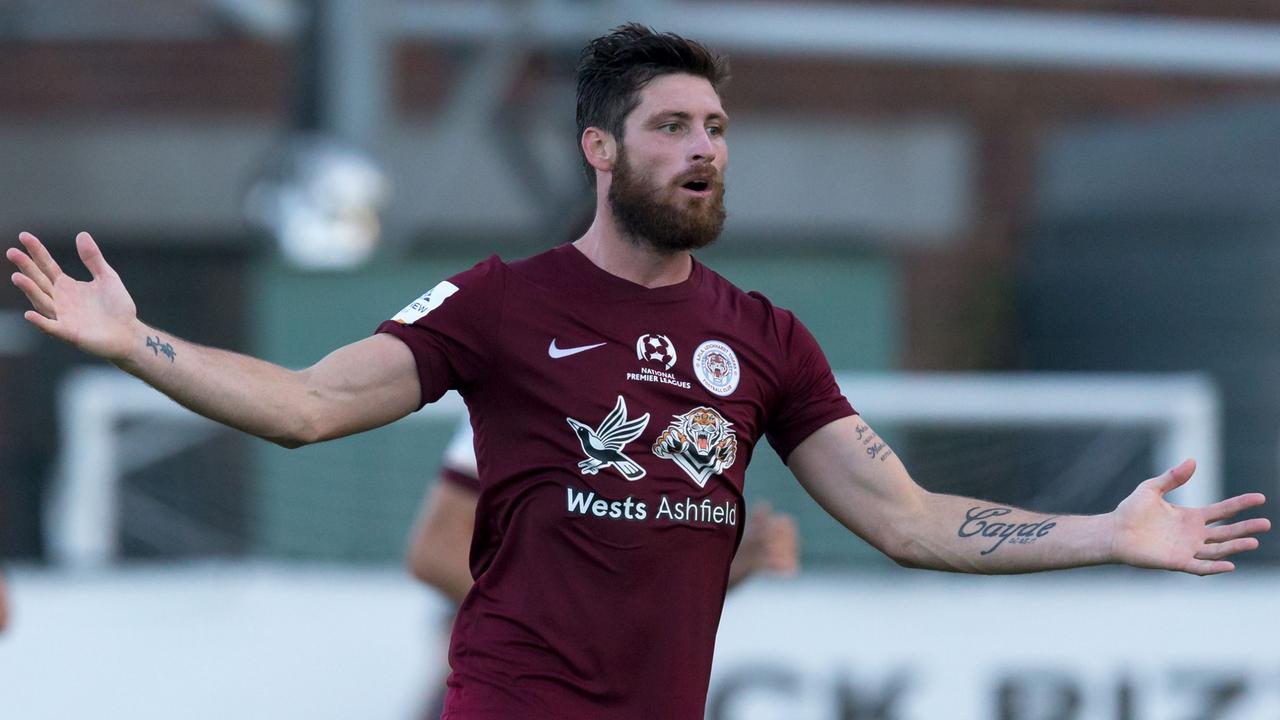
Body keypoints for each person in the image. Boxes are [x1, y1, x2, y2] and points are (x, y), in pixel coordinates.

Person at [6, 23, 1269, 720]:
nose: (703, 149)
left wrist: (1102, 532)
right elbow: (305, 407)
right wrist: (138, 345)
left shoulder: (765, 338)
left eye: (715, 128)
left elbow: (908, 519)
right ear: (599, 150)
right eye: (672, 127)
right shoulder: (502, 303)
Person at [407, 416, 799, 719]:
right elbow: (434, 551)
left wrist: (717, 570)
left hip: (619, 691)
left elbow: (629, 597)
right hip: (516, 688)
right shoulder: (525, 371)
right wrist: (583, 633)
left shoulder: (676, 395)